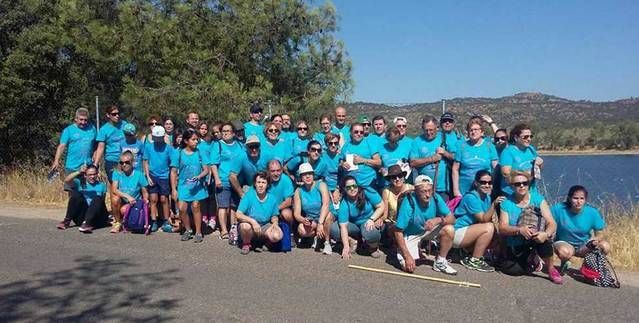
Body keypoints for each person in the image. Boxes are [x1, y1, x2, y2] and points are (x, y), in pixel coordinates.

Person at [498, 171, 562, 284]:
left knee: (544, 240)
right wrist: (519, 230)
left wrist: (545, 234)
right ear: (512, 186)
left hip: (536, 237)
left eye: (525, 183)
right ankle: (532, 260)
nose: (522, 186)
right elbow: (502, 228)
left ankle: (551, 269)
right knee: (513, 270)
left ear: (529, 184)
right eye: (517, 184)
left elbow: (552, 223)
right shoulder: (506, 203)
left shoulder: (538, 199)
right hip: (516, 241)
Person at [393, 175, 457, 274]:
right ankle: (407, 250)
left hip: (428, 230)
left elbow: (452, 219)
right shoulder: (409, 202)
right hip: (411, 234)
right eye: (424, 191)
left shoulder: (435, 197)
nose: (428, 195)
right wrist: (407, 256)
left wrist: (438, 219)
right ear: (416, 191)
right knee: (408, 268)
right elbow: (398, 231)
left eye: (429, 190)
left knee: (449, 229)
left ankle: (440, 261)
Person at [552, 185, 610, 275]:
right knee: (565, 252)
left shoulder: (592, 212)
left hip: (584, 245)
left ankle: (588, 265)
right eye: (575, 198)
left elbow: (600, 233)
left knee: (605, 246)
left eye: (582, 198)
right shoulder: (558, 209)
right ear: (569, 198)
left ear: (585, 200)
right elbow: (548, 222)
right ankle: (564, 262)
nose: (579, 202)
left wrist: (596, 239)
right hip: (564, 243)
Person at [453, 170, 504, 272]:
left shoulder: (487, 198)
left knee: (497, 233)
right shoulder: (470, 198)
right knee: (489, 227)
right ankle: (474, 260)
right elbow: (483, 219)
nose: (487, 185)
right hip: (457, 232)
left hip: (470, 231)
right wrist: (494, 205)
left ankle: (464, 253)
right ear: (476, 183)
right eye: (483, 182)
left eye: (489, 183)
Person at [170, 129, 210, 243]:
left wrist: (199, 176)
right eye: (193, 139)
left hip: (197, 185)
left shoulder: (200, 152)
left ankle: (198, 232)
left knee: (196, 206)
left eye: (197, 139)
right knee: (182, 208)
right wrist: (173, 189)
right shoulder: (178, 153)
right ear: (186, 141)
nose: (196, 141)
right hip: (183, 185)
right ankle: (188, 229)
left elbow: (206, 169)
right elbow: (173, 172)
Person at [330, 176, 384, 259]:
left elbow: (381, 206)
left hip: (369, 222)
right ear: (344, 189)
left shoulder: (367, 192)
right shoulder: (344, 203)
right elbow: (343, 226)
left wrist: (372, 219)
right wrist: (346, 247)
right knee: (335, 229)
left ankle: (372, 248)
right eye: (348, 187)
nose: (352, 189)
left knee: (371, 233)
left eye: (354, 186)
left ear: (358, 186)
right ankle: (354, 241)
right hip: (355, 226)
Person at [235, 172, 284, 255]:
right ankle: (246, 244)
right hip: (250, 226)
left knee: (277, 235)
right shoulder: (248, 196)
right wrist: (252, 222)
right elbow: (238, 214)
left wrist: (275, 223)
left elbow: (274, 215)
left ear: (267, 185)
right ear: (255, 184)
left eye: (263, 183)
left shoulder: (272, 198)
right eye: (259, 182)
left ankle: (266, 243)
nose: (261, 185)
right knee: (245, 226)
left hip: (265, 225)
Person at [293, 163, 333, 254]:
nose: (307, 176)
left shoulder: (321, 185)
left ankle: (327, 243)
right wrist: (303, 220)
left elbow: (326, 204)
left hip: (326, 214)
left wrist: (320, 223)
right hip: (312, 218)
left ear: (313, 175)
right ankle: (317, 237)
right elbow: (296, 214)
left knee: (328, 217)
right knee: (302, 230)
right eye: (304, 174)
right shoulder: (298, 191)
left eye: (310, 173)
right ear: (301, 177)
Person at [452, 118, 498, 197]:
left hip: (485, 190)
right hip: (464, 190)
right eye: (471, 130)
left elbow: (496, 168)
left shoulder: (489, 146)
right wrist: (456, 190)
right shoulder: (462, 146)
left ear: (482, 132)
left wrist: (492, 186)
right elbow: (455, 169)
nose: (473, 132)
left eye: (476, 129)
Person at [57, 164, 108, 233]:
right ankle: (67, 221)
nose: (92, 176)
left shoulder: (102, 185)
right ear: (85, 175)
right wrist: (79, 172)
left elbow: (102, 203)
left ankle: (87, 223)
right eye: (90, 175)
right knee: (76, 194)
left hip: (97, 218)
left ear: (97, 174)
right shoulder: (80, 183)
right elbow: (67, 180)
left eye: (94, 174)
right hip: (82, 216)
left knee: (98, 198)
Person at [215, 122, 244, 243]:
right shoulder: (218, 145)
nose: (225, 133)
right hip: (223, 180)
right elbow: (213, 164)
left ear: (233, 133)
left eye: (228, 131)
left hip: (237, 182)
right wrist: (216, 179)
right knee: (223, 207)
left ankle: (233, 228)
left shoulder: (240, 145)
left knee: (233, 207)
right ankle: (223, 230)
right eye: (224, 131)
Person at [50, 107, 97, 180]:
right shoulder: (68, 130)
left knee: (88, 190)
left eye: (85, 120)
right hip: (72, 167)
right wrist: (56, 161)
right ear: (76, 119)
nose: (83, 122)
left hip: (88, 167)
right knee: (73, 190)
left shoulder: (92, 129)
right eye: (81, 119)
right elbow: (62, 146)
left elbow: (96, 146)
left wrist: (95, 160)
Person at [143, 126, 174, 232]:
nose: (158, 139)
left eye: (160, 137)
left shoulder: (168, 148)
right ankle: (153, 220)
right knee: (153, 199)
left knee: (164, 199)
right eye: (156, 137)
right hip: (152, 175)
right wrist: (147, 176)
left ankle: (166, 220)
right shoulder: (148, 147)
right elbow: (145, 161)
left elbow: (172, 163)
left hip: (164, 176)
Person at [410, 116, 448, 199]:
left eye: (431, 130)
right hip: (425, 189)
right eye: (426, 130)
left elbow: (455, 156)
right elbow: (413, 162)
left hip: (443, 189)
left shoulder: (444, 138)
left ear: (437, 128)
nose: (428, 132)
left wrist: (445, 153)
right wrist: (432, 159)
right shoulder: (417, 141)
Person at [111, 151, 149, 233]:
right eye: (121, 163)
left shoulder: (139, 174)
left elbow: (145, 192)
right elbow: (114, 189)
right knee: (114, 199)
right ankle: (118, 222)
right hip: (123, 200)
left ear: (132, 162)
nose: (124, 165)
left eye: (127, 162)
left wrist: (145, 203)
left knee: (124, 210)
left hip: (134, 202)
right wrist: (127, 196)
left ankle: (129, 222)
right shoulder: (117, 172)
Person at [499, 123, 543, 196]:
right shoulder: (508, 152)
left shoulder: (531, 149)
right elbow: (506, 173)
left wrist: (540, 164)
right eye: (525, 137)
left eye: (530, 136)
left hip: (531, 192)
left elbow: (538, 169)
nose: (529, 139)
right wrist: (527, 174)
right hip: (512, 194)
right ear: (516, 138)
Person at [339, 123, 381, 194]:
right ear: (351, 132)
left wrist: (362, 160)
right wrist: (343, 164)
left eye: (361, 132)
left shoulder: (369, 143)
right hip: (351, 187)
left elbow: (378, 162)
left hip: (368, 185)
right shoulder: (346, 145)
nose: (359, 134)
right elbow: (340, 160)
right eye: (356, 132)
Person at [93, 105, 128, 182]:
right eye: (114, 114)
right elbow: (100, 148)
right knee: (114, 184)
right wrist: (96, 164)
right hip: (111, 160)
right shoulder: (104, 130)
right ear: (108, 115)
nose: (117, 116)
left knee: (126, 184)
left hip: (126, 159)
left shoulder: (124, 125)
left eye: (118, 113)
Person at [267, 160, 295, 227]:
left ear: (282, 170)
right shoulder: (264, 180)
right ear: (268, 171)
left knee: (286, 214)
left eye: (278, 170)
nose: (276, 174)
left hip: (281, 208)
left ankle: (292, 231)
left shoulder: (286, 180)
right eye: (273, 171)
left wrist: (274, 210)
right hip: (266, 209)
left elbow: (288, 201)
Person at [319, 133, 342, 209]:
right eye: (330, 143)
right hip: (325, 188)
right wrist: (327, 192)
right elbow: (321, 177)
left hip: (339, 188)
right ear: (326, 144)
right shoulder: (321, 157)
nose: (333, 145)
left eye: (336, 143)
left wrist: (337, 189)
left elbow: (344, 176)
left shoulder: (341, 157)